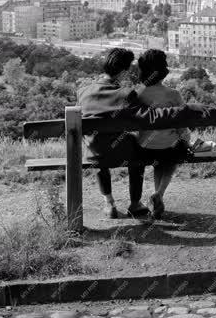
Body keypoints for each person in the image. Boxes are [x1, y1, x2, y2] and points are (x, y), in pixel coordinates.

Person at [77, 48, 150, 219]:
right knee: (138, 149)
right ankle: (135, 203)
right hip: (122, 152)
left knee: (95, 143)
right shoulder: (126, 94)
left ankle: (109, 203)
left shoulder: (83, 92)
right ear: (124, 71)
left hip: (95, 154)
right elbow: (143, 118)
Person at [136, 49, 191, 219]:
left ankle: (157, 196)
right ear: (163, 71)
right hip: (169, 148)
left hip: (143, 148)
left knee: (159, 159)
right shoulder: (173, 94)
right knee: (171, 156)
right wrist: (188, 142)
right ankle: (158, 193)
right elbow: (182, 127)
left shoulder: (137, 94)